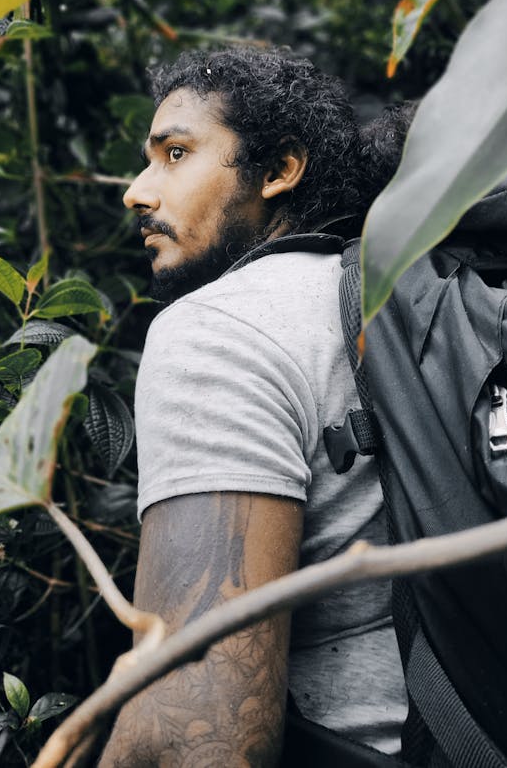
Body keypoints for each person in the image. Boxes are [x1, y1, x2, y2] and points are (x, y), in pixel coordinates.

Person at [99, 47, 414, 767]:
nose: (137, 192)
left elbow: (201, 739)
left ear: (279, 170)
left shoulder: (219, 329)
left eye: (175, 153)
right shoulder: (396, 290)